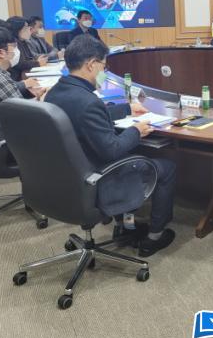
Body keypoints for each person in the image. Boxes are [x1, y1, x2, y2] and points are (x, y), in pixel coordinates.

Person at [44, 35, 177, 257]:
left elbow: (85, 114)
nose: (104, 72)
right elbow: (112, 150)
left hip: (66, 175)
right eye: (104, 66)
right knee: (167, 167)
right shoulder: (88, 102)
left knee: (133, 151)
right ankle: (155, 235)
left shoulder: (56, 92)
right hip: (97, 175)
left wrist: (126, 109)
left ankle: (125, 225)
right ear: (91, 64)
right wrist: (137, 130)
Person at [7, 16, 48, 82]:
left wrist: (37, 60)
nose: (29, 30)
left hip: (25, 75)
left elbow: (30, 57)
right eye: (26, 28)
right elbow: (19, 63)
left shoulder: (23, 41)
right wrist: (37, 63)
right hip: (17, 78)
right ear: (17, 29)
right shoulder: (12, 43)